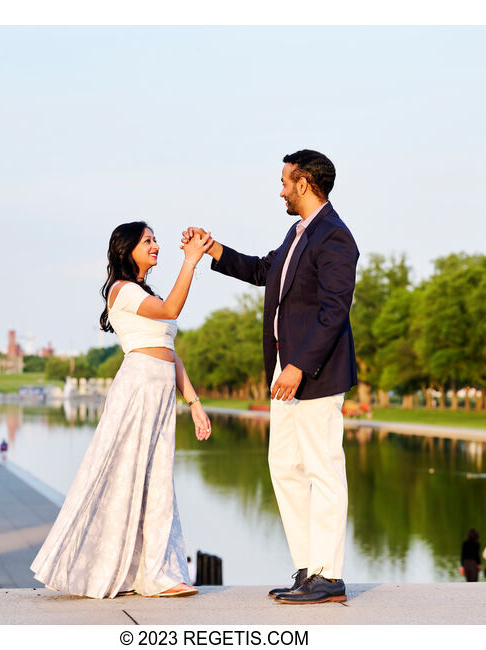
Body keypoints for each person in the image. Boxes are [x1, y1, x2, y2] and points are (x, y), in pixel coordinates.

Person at [183, 150, 358, 604]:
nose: (279, 189)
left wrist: (300, 365)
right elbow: (265, 271)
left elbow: (335, 311)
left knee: (323, 469)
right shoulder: (297, 233)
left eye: (284, 181)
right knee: (284, 467)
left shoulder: (335, 237)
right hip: (286, 372)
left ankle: (329, 576)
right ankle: (308, 570)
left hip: (313, 372)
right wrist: (213, 249)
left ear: (304, 183)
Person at [31, 221, 213, 599]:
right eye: (148, 241)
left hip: (160, 388)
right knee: (120, 476)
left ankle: (153, 574)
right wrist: (191, 262)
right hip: (138, 387)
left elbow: (171, 354)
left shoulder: (143, 292)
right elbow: (171, 308)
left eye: (155, 240)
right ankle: (117, 570)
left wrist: (194, 403)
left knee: (157, 480)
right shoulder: (123, 290)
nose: (156, 245)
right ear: (126, 248)